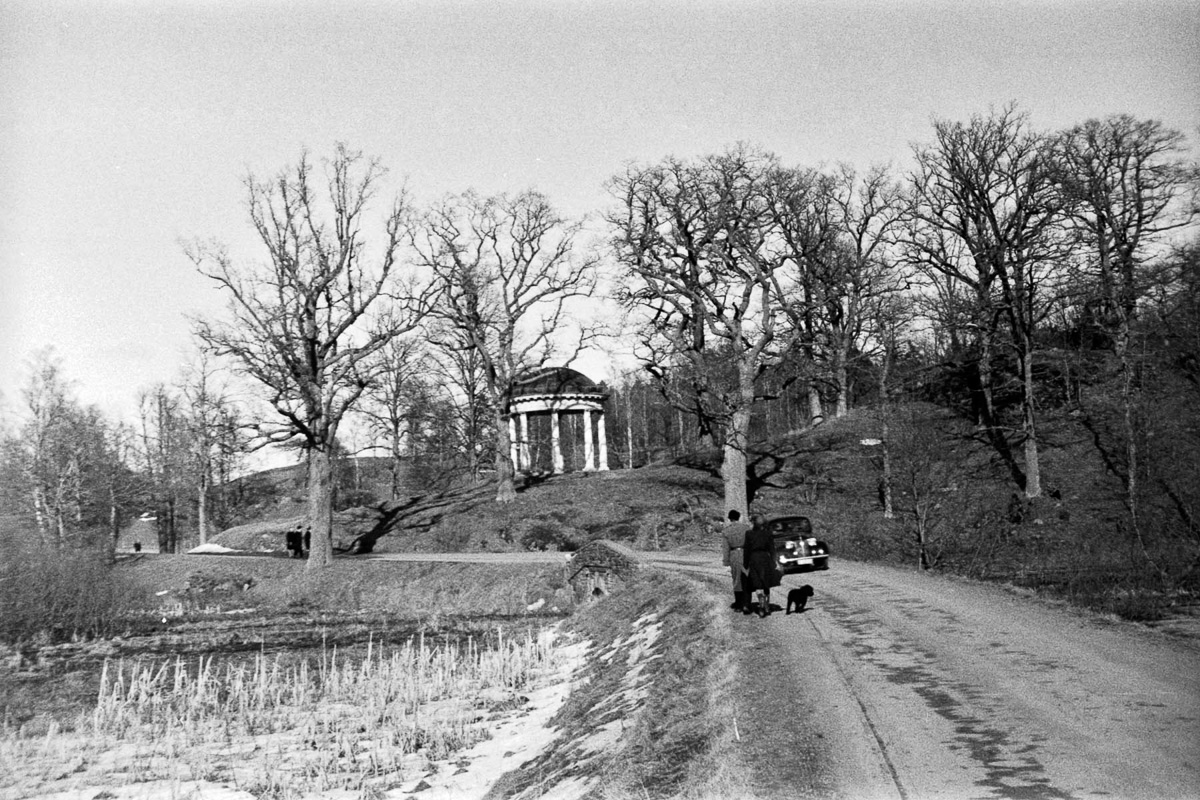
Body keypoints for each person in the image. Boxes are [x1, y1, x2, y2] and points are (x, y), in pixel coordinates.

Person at [742, 514, 780, 617]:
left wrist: (745, 564)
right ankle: (766, 605)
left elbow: (747, 550)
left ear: (753, 523)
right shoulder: (768, 534)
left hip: (754, 559)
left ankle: (761, 603)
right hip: (765, 559)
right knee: (766, 583)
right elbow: (772, 549)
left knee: (757, 583)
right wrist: (774, 561)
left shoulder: (749, 534)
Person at [721, 510, 752, 613]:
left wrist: (726, 561)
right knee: (747, 579)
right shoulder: (746, 528)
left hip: (734, 555)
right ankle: (747, 604)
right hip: (746, 554)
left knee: (737, 579)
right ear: (739, 517)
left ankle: (738, 604)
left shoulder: (726, 531)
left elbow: (726, 548)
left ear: (730, 519)